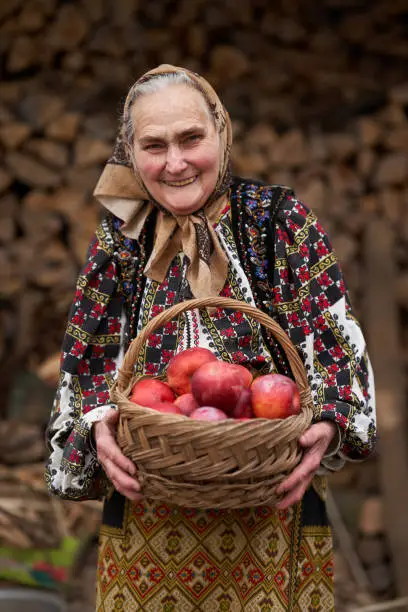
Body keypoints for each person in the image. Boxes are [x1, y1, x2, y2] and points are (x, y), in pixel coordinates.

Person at [46, 64, 376, 610]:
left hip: (269, 503)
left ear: (222, 132)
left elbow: (336, 341)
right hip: (152, 510)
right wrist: (95, 427)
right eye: (153, 146)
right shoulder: (121, 236)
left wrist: (329, 422)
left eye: (191, 138)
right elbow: (88, 362)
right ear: (130, 153)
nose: (174, 163)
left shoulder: (277, 221)